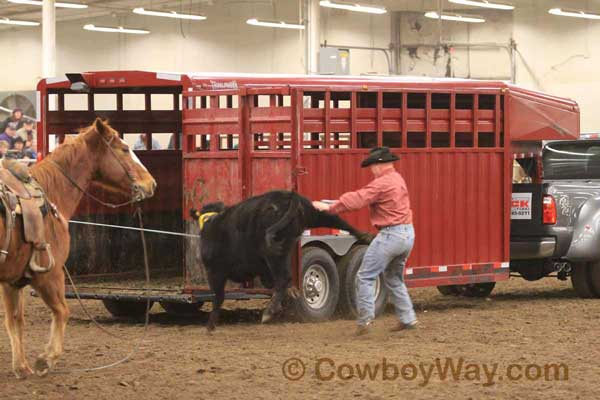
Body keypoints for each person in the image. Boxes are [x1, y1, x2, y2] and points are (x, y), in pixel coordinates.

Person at [312, 147, 417, 336]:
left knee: (365, 276)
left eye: (372, 165)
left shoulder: (382, 183)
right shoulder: (397, 179)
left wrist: (329, 207)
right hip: (407, 234)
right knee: (394, 278)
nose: (371, 170)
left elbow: (358, 199)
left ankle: (365, 320)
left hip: (390, 235)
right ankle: (408, 318)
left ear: (379, 165)